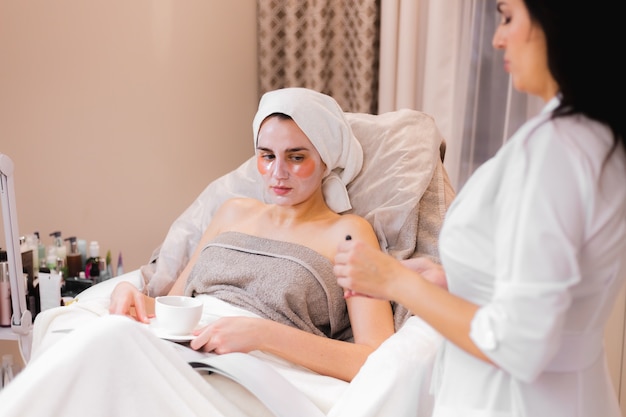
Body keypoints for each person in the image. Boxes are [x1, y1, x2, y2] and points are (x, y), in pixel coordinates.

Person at [0, 87, 395, 416]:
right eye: (267, 156)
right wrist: (137, 298)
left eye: (296, 157)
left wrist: (261, 334)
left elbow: (375, 359)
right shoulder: (233, 211)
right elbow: (174, 302)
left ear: (327, 159)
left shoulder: (349, 233)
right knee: (106, 337)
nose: (278, 173)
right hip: (183, 346)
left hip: (256, 370)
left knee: (111, 345)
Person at [334, 1, 626, 416]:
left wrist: (394, 280)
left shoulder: (556, 151)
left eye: (508, 17)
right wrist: (454, 282)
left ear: (557, 21)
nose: (497, 38)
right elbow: (557, 289)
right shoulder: (596, 138)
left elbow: (517, 343)